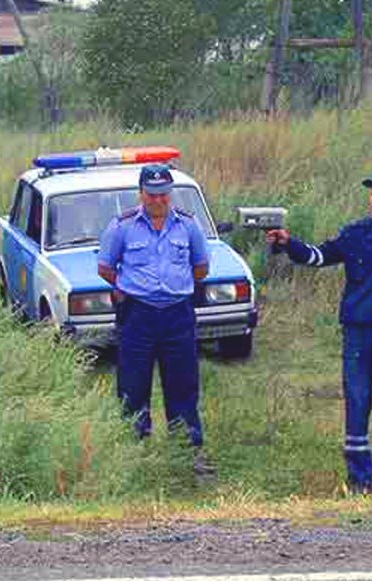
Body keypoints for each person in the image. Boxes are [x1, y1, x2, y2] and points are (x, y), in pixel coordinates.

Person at [266, 171, 372, 495]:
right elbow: (319, 256)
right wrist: (289, 244)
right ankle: (359, 481)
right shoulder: (356, 233)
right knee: (357, 404)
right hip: (358, 335)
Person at [97, 164, 214, 477]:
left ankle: (188, 452)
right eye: (152, 194)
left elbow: (201, 267)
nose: (158, 200)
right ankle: (134, 453)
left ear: (170, 193)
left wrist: (175, 285)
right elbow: (106, 268)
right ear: (141, 193)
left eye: (163, 194)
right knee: (133, 385)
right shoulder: (121, 226)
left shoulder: (188, 226)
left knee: (183, 384)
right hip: (138, 315)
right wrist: (129, 289)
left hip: (178, 314)